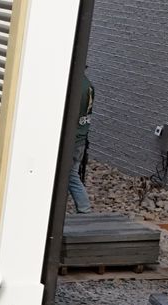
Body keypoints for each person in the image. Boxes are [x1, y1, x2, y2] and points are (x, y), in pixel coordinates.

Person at [66, 71, 94, 214]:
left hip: (71, 139)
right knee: (72, 174)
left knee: (70, 176)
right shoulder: (88, 85)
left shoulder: (75, 86)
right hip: (81, 139)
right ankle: (84, 209)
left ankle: (85, 210)